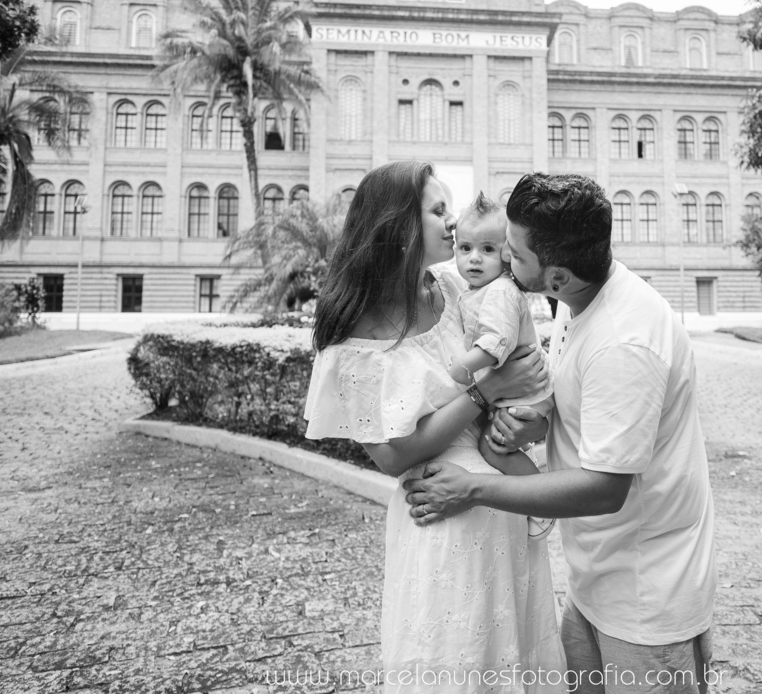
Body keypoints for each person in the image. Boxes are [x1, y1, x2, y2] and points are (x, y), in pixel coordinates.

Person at [404, 173, 717, 694]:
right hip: (595, 579)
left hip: (645, 596)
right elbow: (585, 410)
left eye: (515, 254)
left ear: (557, 276)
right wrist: (538, 421)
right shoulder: (579, 301)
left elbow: (605, 487)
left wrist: (472, 488)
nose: (504, 258)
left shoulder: (625, 341)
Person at [302, 161, 567, 694]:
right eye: (439, 210)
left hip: (504, 510)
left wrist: (523, 425)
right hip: (441, 523)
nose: (455, 223)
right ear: (399, 227)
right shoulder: (354, 340)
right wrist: (485, 390)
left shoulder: (457, 288)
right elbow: (394, 456)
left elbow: (525, 371)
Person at [449, 191, 555, 539]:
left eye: (487, 250)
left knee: (493, 448)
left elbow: (495, 345)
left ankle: (542, 501)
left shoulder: (500, 292)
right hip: (515, 389)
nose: (474, 259)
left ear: (507, 254)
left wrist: (463, 367)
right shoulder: (477, 290)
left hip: (524, 391)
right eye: (465, 249)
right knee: (496, 444)